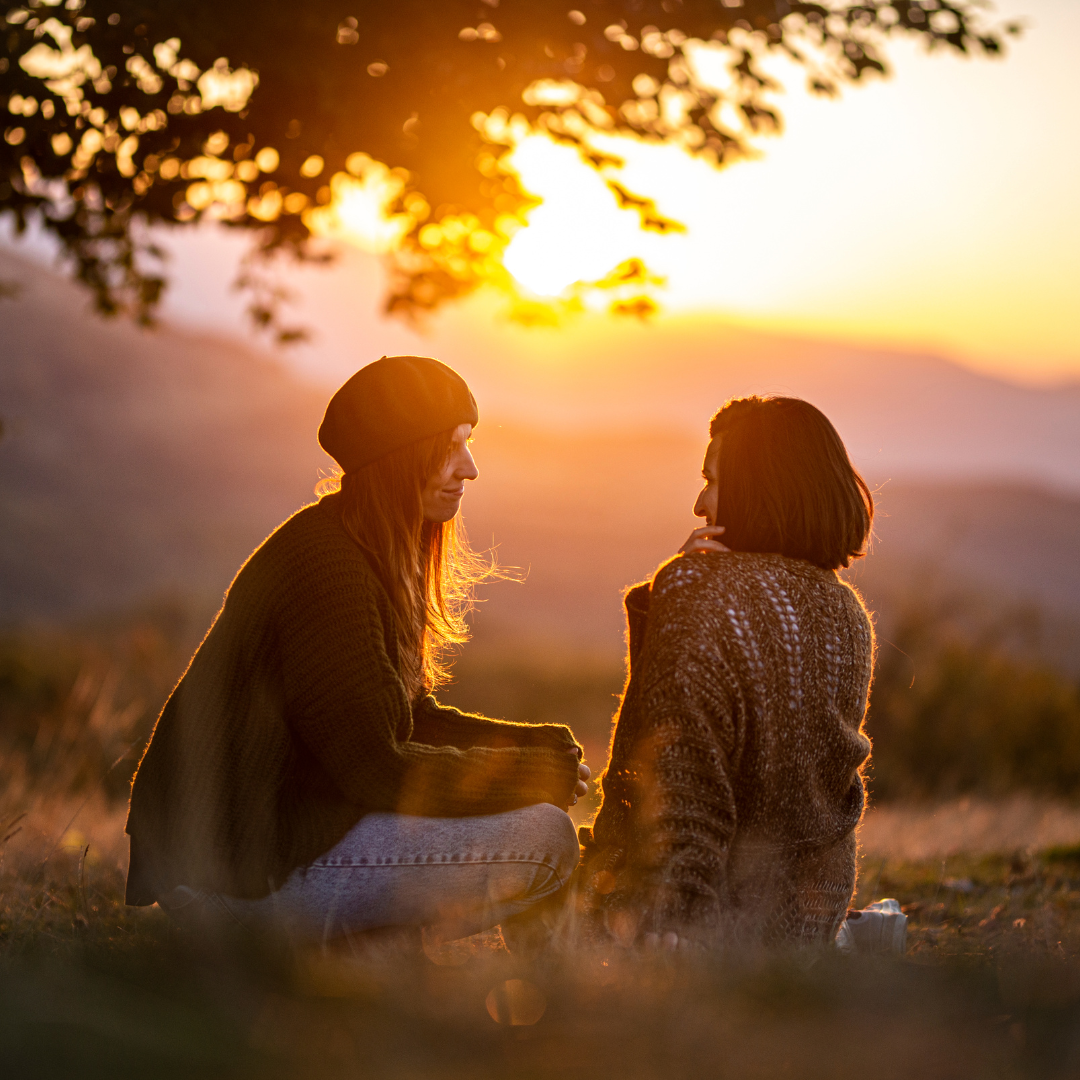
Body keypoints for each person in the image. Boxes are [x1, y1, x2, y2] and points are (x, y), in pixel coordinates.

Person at [125, 355, 589, 942]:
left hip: (260, 846)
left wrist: (530, 747)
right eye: (450, 448)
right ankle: (520, 1003)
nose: (469, 469)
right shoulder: (329, 570)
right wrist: (530, 777)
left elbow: (404, 721)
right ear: (399, 457)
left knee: (527, 811)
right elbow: (376, 767)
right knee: (544, 837)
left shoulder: (357, 542)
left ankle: (384, 961)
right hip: (233, 873)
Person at [580, 395, 875, 951]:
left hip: (702, 918)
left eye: (712, 480)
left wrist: (674, 918)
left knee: (537, 847)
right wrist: (664, 605)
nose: (699, 503)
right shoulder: (848, 614)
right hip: (809, 916)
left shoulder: (702, 592)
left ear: (756, 488)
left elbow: (676, 771)